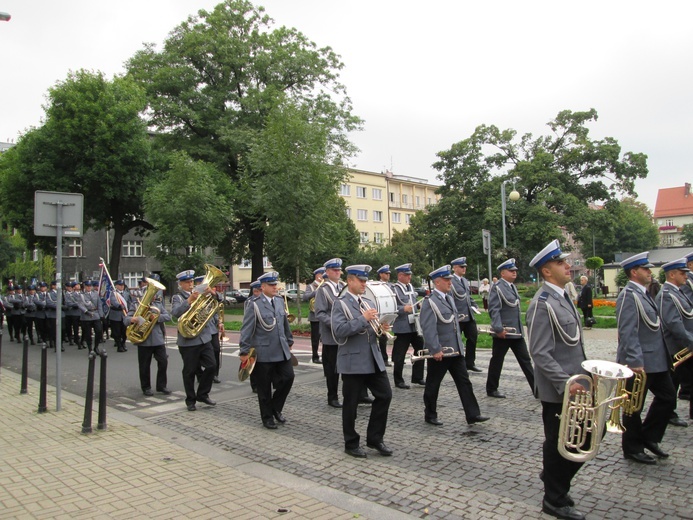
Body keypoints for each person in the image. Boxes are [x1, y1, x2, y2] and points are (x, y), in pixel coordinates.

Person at [526, 239, 588, 520]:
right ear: (547, 271)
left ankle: (553, 478)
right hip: (560, 390)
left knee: (580, 440)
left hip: (576, 384)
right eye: (562, 263)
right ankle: (553, 498)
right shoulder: (542, 304)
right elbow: (540, 353)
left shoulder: (562, 297)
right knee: (559, 443)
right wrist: (566, 383)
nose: (569, 267)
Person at [616, 252, 676, 464]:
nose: (650, 272)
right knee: (633, 407)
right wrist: (634, 361)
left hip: (656, 361)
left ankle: (649, 437)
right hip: (639, 362)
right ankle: (632, 448)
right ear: (634, 272)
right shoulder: (628, 295)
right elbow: (627, 331)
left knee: (668, 398)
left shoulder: (643, 293)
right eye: (645, 269)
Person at [331, 264, 393, 458]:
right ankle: (351, 443)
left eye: (366, 281)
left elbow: (371, 332)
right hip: (352, 361)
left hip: (372, 358)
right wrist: (363, 319)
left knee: (385, 395)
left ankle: (375, 438)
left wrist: (382, 328)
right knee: (351, 405)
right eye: (361, 281)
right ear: (350, 281)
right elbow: (339, 332)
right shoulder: (340, 304)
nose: (364, 284)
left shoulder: (366, 301)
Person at [420, 265, 489, 427]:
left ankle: (473, 414)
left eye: (450, 279)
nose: (450, 282)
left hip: (455, 350)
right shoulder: (430, 302)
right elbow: (428, 329)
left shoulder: (449, 298)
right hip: (441, 351)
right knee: (433, 384)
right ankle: (430, 414)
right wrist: (435, 349)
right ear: (437, 282)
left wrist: (460, 347)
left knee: (464, 382)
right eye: (446, 280)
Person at [239, 271, 295, 429]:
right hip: (263, 351)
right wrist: (244, 351)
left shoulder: (278, 301)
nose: (275, 287)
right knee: (264, 388)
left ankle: (275, 407)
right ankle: (267, 417)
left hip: (281, 349)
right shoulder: (254, 304)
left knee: (288, 378)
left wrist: (289, 340)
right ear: (262, 287)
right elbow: (246, 329)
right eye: (271, 285)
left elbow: (284, 323)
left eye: (275, 284)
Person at [485, 258, 535, 398]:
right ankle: (491, 388)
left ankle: (537, 389)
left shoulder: (512, 287)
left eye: (515, 271)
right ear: (502, 273)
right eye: (511, 271)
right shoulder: (498, 287)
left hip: (516, 331)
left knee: (525, 360)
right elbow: (494, 309)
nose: (514, 273)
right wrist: (498, 328)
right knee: (497, 360)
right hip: (504, 332)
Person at [171, 270, 217, 412]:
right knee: (190, 371)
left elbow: (216, 303)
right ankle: (190, 400)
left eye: (191, 282)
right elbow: (175, 313)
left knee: (211, 366)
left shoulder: (202, 295)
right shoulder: (177, 297)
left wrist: (212, 293)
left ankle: (202, 394)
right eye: (187, 282)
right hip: (188, 341)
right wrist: (189, 301)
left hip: (204, 337)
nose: (190, 284)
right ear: (180, 284)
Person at [655, 258, 693, 426]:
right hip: (677, 348)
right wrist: (690, 341)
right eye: (682, 273)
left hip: (685, 346)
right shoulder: (666, 294)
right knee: (671, 384)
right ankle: (667, 415)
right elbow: (673, 323)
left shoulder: (678, 291)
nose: (685, 276)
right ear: (672, 274)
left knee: (679, 381)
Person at [127, 275, 171, 396]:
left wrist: (156, 317)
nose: (152, 297)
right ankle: (146, 387)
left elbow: (168, 317)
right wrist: (133, 319)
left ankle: (161, 386)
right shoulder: (136, 305)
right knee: (144, 365)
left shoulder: (158, 305)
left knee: (163, 362)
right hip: (143, 339)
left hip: (157, 339)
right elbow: (126, 320)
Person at [314, 258, 347, 407]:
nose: (338, 272)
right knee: (332, 369)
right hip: (331, 335)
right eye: (335, 270)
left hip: (346, 333)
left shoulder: (344, 286)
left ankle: (358, 394)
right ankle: (332, 397)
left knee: (350, 365)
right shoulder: (323, 289)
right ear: (327, 272)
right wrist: (334, 323)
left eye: (339, 270)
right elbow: (319, 313)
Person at [391, 263, 425, 388]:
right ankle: (398, 380)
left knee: (420, 349)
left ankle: (417, 377)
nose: (409, 277)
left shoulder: (410, 286)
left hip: (414, 324)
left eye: (410, 275)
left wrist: (418, 305)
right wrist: (402, 309)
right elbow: (391, 306)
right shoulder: (394, 288)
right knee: (400, 354)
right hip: (402, 326)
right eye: (407, 275)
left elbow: (413, 301)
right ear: (400, 276)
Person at [450, 257, 482, 372]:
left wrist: (474, 305)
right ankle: (457, 364)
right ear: (455, 268)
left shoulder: (464, 280)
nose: (464, 269)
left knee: (473, 338)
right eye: (461, 267)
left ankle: (470, 362)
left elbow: (467, 297)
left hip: (468, 315)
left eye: (465, 267)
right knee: (457, 341)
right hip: (458, 317)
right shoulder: (451, 281)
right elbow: (450, 299)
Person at [302, 267, 326, 364]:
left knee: (325, 337)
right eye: (322, 274)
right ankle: (315, 356)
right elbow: (305, 297)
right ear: (317, 275)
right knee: (315, 338)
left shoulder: (325, 285)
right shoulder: (311, 286)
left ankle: (325, 356)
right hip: (314, 315)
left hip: (324, 315)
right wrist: (315, 292)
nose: (323, 276)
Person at [77, 280, 103, 353]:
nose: (89, 287)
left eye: (90, 286)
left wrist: (101, 315)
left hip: (95, 314)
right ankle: (90, 348)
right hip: (86, 316)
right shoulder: (81, 295)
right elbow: (80, 305)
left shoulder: (95, 294)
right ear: (85, 286)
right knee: (88, 333)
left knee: (98, 331)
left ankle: (96, 347)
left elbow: (99, 304)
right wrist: (86, 311)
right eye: (87, 286)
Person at [375, 265, 393, 366]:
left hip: (389, 313)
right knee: (382, 338)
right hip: (380, 314)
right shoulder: (377, 285)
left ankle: (388, 357)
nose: (388, 275)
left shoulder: (391, 286)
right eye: (386, 273)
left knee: (385, 338)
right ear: (381, 274)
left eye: (389, 273)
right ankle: (383, 358)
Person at [109, 280, 130, 352]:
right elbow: (113, 301)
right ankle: (119, 345)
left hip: (124, 315)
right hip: (116, 314)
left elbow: (129, 302)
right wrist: (119, 305)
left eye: (123, 285)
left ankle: (123, 343)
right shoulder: (113, 294)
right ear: (116, 286)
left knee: (124, 332)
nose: (122, 286)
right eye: (120, 285)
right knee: (117, 332)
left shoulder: (126, 293)